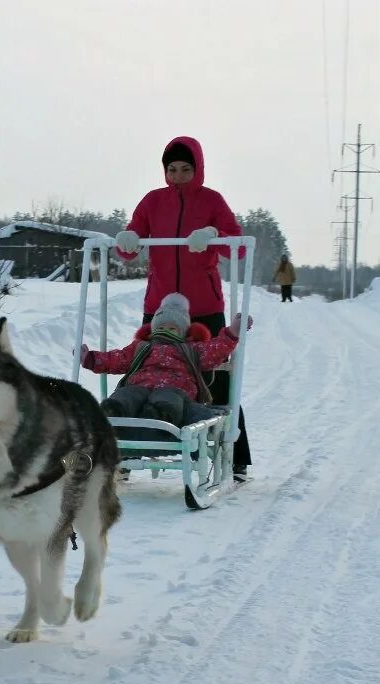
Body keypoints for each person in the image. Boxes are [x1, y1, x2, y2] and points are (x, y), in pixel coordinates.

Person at [112, 136, 253, 479]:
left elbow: (238, 249)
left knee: (216, 377)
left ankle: (235, 454)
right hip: (159, 307)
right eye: (171, 170)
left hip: (203, 306)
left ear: (198, 169)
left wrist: (214, 233)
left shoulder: (212, 201)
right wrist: (128, 239)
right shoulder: (152, 201)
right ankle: (124, 447)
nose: (177, 176)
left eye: (185, 169)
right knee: (142, 370)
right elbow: (129, 248)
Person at [80, 292, 250, 431]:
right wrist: (91, 359)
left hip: (176, 388)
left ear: (183, 332)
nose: (165, 331)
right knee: (127, 394)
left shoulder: (191, 348)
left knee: (168, 397)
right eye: (160, 327)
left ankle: (160, 416)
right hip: (139, 386)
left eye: (171, 328)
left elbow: (214, 351)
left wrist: (231, 333)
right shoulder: (142, 346)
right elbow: (117, 359)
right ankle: (113, 411)